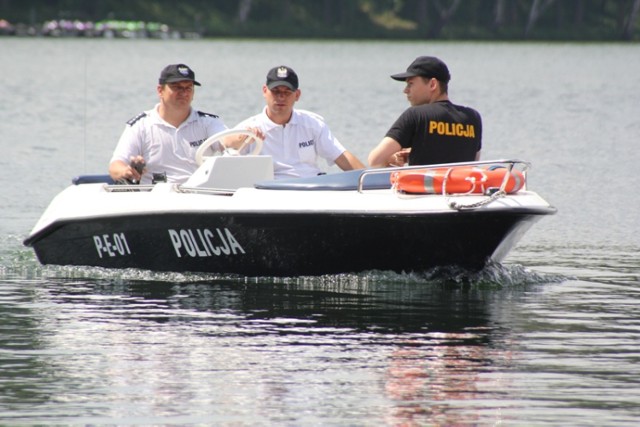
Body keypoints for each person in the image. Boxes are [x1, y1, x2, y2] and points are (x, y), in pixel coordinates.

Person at [231, 65, 364, 179]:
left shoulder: (313, 124)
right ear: (265, 91)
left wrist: (370, 180)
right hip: (269, 190)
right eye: (275, 91)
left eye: (287, 92)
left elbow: (342, 157)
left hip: (311, 188)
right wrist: (242, 138)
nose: (281, 97)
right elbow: (225, 143)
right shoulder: (250, 127)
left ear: (297, 95)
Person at [109, 63, 227, 184]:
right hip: (156, 197)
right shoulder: (141, 125)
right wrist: (127, 171)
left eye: (188, 88)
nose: (184, 93)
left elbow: (228, 141)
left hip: (199, 195)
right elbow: (115, 167)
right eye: (177, 87)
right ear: (160, 90)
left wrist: (240, 138)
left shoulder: (208, 122)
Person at [368, 56, 482, 168]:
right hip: (462, 186)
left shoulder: (415, 115)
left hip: (423, 186)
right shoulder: (473, 117)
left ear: (433, 84)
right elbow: (473, 162)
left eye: (410, 84)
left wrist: (391, 158)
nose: (405, 90)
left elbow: (374, 160)